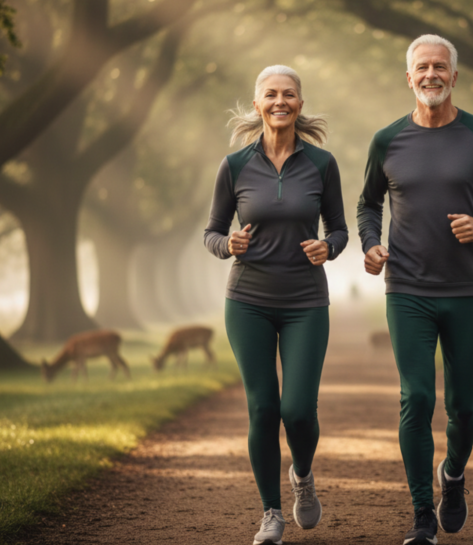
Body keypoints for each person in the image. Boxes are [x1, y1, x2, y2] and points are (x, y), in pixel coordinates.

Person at [357, 35, 473, 545]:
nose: (430, 75)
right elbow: (368, 205)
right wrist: (370, 244)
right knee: (416, 397)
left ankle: (452, 476)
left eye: (440, 67)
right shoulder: (386, 141)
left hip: (468, 290)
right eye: (421, 68)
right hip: (406, 288)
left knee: (466, 409)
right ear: (408, 77)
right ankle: (421, 515)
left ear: (454, 76)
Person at [204, 65, 348, 545]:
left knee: (299, 411)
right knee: (263, 408)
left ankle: (302, 475)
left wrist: (330, 247)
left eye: (289, 94)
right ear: (257, 103)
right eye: (271, 94)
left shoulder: (323, 165)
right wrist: (229, 245)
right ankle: (270, 513)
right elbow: (211, 232)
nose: (280, 101)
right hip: (248, 300)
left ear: (300, 104)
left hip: (306, 300)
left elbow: (340, 229)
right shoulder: (235, 165)